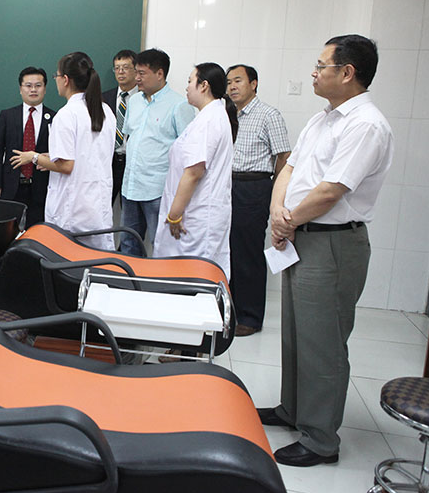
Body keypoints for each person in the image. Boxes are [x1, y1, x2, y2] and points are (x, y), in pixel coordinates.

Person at [259, 35, 393, 468]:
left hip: (333, 243)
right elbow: (290, 167)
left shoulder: (365, 125)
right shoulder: (323, 119)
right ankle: (293, 409)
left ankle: (321, 440)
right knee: (297, 333)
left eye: (321, 66)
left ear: (347, 72)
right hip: (302, 234)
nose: (314, 73)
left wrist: (289, 220)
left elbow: (333, 190)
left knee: (324, 342)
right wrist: (279, 212)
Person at [11, 52, 115, 250]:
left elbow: (66, 165)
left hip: (73, 208)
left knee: (69, 260)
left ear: (65, 80)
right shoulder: (105, 110)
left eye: (56, 76)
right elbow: (87, 154)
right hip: (97, 205)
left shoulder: (66, 114)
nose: (56, 80)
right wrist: (49, 158)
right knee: (96, 261)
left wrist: (33, 157)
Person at [154, 63, 237, 279]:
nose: (187, 87)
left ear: (204, 86)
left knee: (191, 277)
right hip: (195, 214)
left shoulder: (209, 120)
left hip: (195, 218)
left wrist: (174, 215)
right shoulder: (208, 116)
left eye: (190, 81)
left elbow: (193, 173)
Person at [226, 64, 291, 336]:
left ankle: (250, 318)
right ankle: (229, 312)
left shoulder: (268, 115)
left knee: (248, 252)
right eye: (229, 82)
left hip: (254, 186)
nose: (232, 87)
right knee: (229, 250)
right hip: (227, 185)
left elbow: (284, 156)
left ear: (253, 84)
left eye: (238, 81)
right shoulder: (227, 114)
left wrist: (274, 191)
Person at [118, 48, 196, 256]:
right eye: (136, 72)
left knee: (160, 245)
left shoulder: (179, 105)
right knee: (128, 244)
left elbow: (188, 152)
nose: (137, 78)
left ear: (160, 73)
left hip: (158, 190)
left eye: (142, 73)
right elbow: (130, 138)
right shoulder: (134, 101)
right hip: (130, 186)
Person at [0, 67, 54, 226]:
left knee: (37, 232)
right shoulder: (7, 116)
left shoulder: (55, 117)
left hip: (41, 187)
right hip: (10, 185)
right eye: (28, 85)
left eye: (38, 85)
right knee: (7, 232)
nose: (33, 90)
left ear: (45, 89)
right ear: (20, 89)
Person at [102, 49, 137, 207]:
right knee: (103, 206)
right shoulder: (104, 98)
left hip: (132, 163)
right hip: (108, 162)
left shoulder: (143, 99)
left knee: (130, 211)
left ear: (136, 70)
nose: (120, 72)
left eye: (125, 67)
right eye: (117, 68)